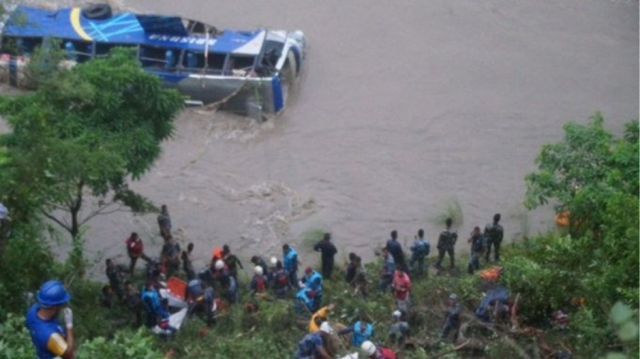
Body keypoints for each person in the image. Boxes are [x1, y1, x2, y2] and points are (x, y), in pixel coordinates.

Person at [26, 280, 75, 359]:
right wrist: (69, 326)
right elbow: (70, 355)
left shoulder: (33, 310)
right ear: (55, 307)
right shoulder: (51, 336)